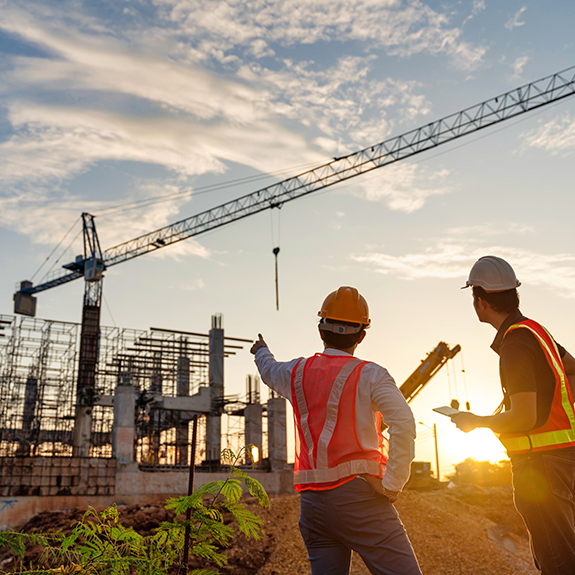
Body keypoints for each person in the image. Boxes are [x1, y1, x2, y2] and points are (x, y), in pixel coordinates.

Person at [250, 286, 421, 575]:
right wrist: (392, 485)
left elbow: (269, 370)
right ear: (362, 335)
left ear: (321, 331)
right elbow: (403, 423)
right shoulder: (371, 375)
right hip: (361, 500)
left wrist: (261, 351)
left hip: (314, 506)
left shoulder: (297, 372)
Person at [452, 255, 575, 575]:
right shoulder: (536, 331)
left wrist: (476, 421)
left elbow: (522, 418)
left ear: (480, 302)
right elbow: (572, 370)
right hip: (563, 459)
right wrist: (551, 407)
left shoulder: (515, 343)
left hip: (541, 468)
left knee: (558, 561)